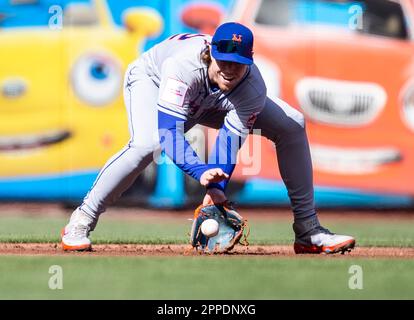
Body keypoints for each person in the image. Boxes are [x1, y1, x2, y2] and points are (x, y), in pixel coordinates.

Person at [61, 22, 355, 254]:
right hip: (152, 81)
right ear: (211, 53)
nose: (228, 69)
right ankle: (81, 221)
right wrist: (200, 171)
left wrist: (215, 189)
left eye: (237, 63)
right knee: (147, 145)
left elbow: (230, 139)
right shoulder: (183, 67)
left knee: (292, 124)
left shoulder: (252, 86)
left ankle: (308, 231)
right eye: (223, 60)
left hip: (216, 101)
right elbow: (168, 133)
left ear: (249, 63)